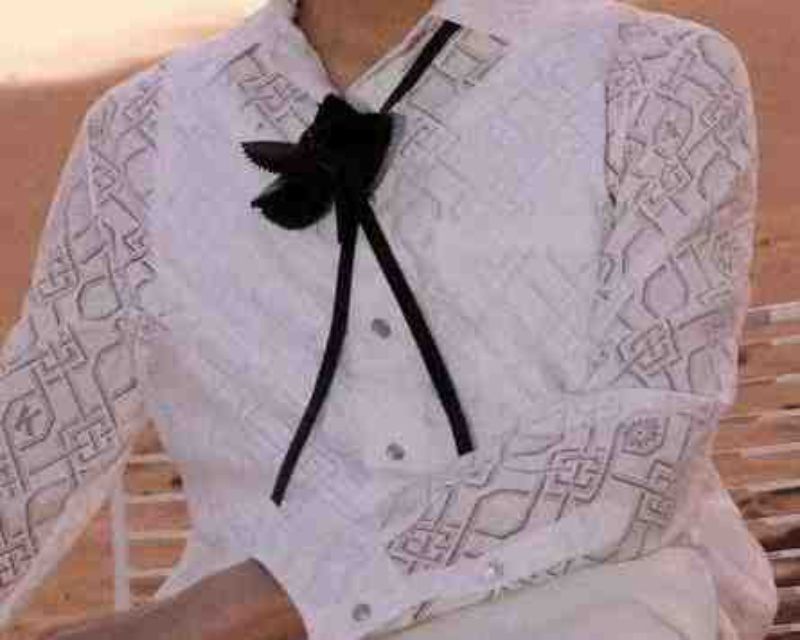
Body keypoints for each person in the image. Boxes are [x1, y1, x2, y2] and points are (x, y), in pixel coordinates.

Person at [0, 0, 778, 638]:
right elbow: (33, 444)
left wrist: (250, 601)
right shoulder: (142, 135)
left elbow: (640, 450)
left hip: (587, 605)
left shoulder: (652, 77)